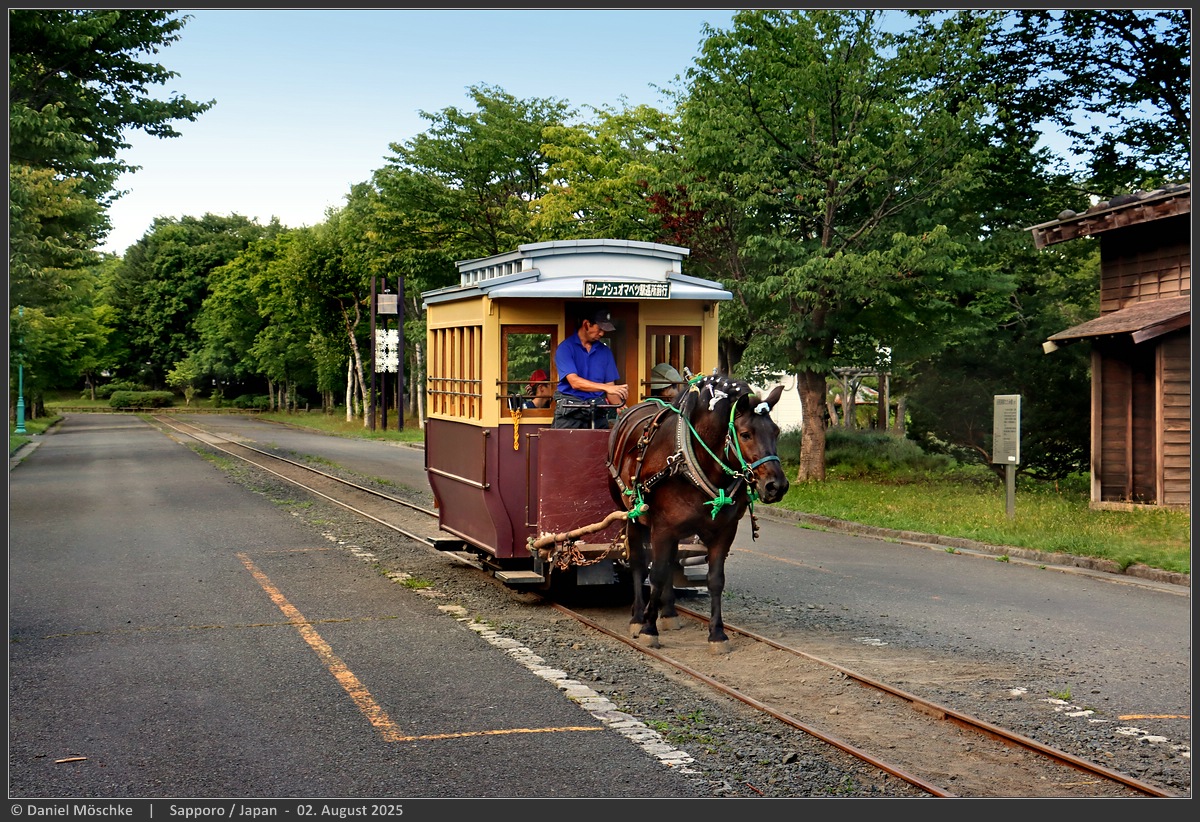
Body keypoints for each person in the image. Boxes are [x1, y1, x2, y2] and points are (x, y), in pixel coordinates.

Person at [552, 307, 628, 429]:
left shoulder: (605, 352)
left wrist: (621, 407)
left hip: (597, 411)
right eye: (600, 329)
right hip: (570, 411)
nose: (602, 333)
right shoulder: (565, 348)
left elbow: (610, 388)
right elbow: (574, 382)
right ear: (586, 324)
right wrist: (607, 388)